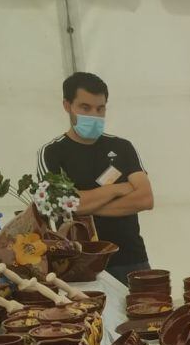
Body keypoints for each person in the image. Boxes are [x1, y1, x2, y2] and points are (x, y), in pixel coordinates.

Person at [37, 72, 155, 285]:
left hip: (131, 259)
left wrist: (84, 206)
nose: (94, 115)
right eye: (85, 108)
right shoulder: (52, 152)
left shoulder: (122, 147)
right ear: (67, 105)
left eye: (100, 109)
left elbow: (145, 199)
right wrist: (118, 189)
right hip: (79, 263)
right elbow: (60, 205)